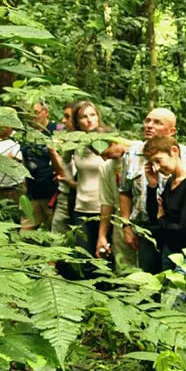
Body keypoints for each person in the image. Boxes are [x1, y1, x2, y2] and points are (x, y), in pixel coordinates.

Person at [119, 108, 186, 273]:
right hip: (147, 230)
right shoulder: (131, 154)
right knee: (148, 283)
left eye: (157, 122)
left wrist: (162, 217)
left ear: (171, 131)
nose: (149, 126)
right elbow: (125, 191)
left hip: (178, 239)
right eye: (147, 120)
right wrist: (126, 226)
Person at [142, 135, 186, 271]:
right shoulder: (171, 180)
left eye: (158, 160)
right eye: (152, 163)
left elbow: (185, 230)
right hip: (168, 250)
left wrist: (162, 218)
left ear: (174, 151)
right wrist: (152, 186)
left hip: (185, 255)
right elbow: (154, 216)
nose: (156, 167)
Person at [69, 102, 107, 261]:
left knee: (105, 256)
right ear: (77, 122)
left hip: (106, 208)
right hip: (81, 206)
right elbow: (64, 162)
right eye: (84, 117)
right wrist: (71, 182)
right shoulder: (74, 143)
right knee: (84, 256)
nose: (89, 120)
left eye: (92, 115)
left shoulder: (108, 140)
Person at [95, 138, 137, 272]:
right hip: (120, 220)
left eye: (106, 153)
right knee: (124, 267)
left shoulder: (140, 151)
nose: (105, 159)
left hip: (142, 216)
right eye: (101, 155)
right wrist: (102, 236)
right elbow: (107, 202)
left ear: (114, 142)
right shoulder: (106, 166)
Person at [19, 102, 63, 231]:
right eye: (29, 113)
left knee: (55, 235)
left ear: (46, 112)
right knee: (25, 235)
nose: (32, 116)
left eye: (36, 112)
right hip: (32, 193)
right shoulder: (25, 133)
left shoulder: (59, 130)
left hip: (53, 194)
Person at [51, 100, 82, 234]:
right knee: (57, 238)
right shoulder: (64, 140)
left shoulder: (95, 143)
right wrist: (52, 152)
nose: (63, 121)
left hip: (85, 199)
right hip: (64, 195)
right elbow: (61, 172)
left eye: (68, 117)